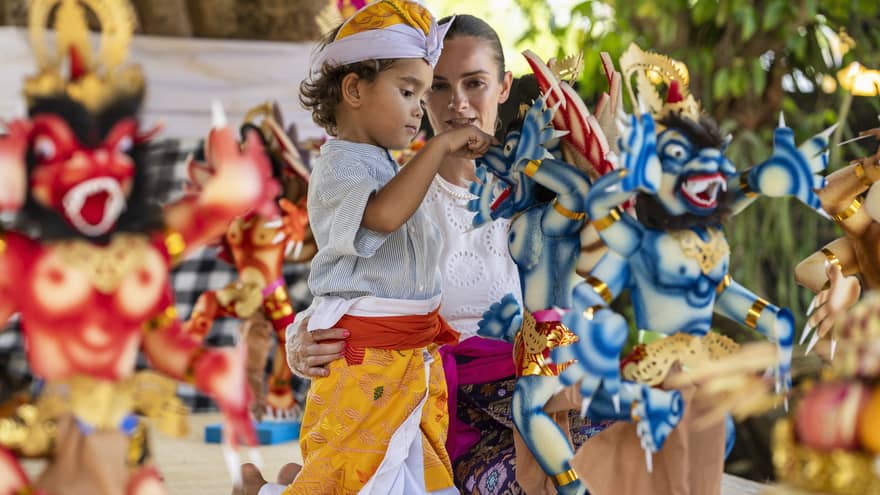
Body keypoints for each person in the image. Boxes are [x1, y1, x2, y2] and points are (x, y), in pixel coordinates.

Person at [247, 14, 608, 495]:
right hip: (440, 410)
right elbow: (355, 285)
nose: (456, 103)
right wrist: (300, 337)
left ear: (502, 87)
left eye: (474, 83)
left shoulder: (538, 196)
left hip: (531, 397)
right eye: (436, 87)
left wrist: (601, 181)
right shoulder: (395, 190)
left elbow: (583, 293)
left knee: (620, 454)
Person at [278, 2, 496, 495]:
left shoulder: (387, 168)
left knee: (406, 476)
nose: (423, 109)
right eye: (412, 91)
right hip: (368, 360)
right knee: (352, 477)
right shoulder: (344, 165)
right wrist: (437, 149)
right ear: (354, 90)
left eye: (475, 83)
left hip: (416, 362)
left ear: (504, 89)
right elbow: (381, 216)